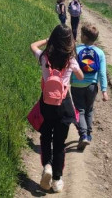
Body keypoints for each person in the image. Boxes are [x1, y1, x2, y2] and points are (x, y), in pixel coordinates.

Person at [30, 25, 84, 193]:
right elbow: (81, 76)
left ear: (53, 39)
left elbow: (33, 45)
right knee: (59, 144)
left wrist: (47, 40)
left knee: (46, 137)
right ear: (69, 42)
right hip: (64, 105)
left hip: (46, 104)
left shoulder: (44, 57)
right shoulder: (71, 60)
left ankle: (47, 165)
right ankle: (58, 179)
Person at [71, 24, 108, 149]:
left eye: (81, 34)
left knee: (79, 110)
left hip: (76, 85)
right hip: (92, 85)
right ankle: (89, 134)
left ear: (85, 37)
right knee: (89, 109)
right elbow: (102, 73)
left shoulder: (75, 49)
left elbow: (69, 68)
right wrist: (104, 90)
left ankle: (83, 135)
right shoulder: (100, 52)